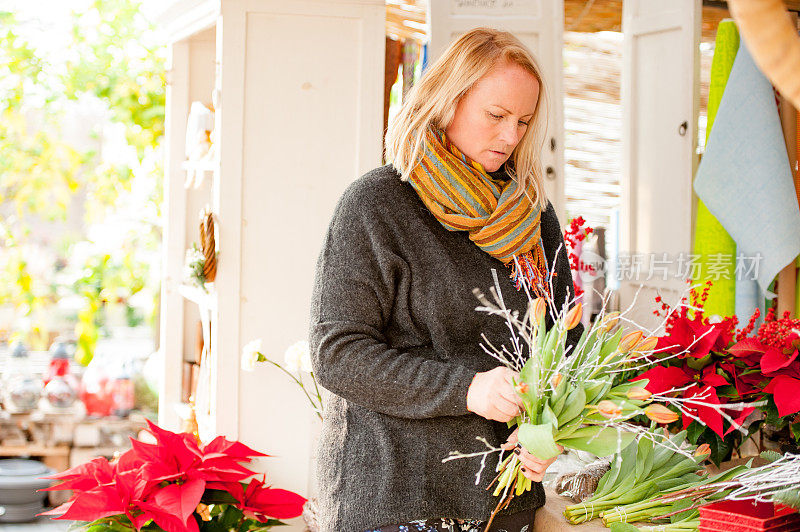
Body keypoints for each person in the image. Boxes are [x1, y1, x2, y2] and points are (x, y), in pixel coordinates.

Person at [309, 27, 583, 532]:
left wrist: (550, 426)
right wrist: (467, 389)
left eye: (523, 121)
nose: (510, 137)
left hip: (507, 502)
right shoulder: (377, 204)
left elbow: (566, 343)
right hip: (396, 500)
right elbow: (337, 353)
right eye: (496, 116)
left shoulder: (532, 216)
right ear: (445, 102)